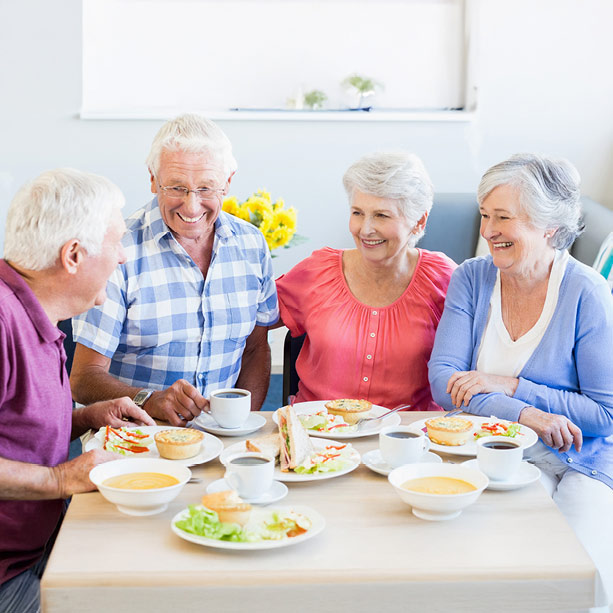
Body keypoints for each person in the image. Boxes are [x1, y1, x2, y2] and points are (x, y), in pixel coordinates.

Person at [428, 153, 613, 609]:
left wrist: (509, 385)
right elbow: (443, 382)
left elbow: (603, 416)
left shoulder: (585, 293)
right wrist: (527, 412)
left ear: (548, 226)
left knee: (577, 580)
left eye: (503, 217)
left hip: (580, 459)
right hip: (495, 447)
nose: (488, 229)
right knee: (471, 565)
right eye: (486, 215)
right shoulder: (471, 277)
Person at [0, 169, 155, 613]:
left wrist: (85, 416)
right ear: (73, 256)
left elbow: (15, 426)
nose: (123, 257)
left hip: (43, 544)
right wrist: (60, 478)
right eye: (117, 241)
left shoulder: (38, 314)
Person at [70, 114, 279, 426]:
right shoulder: (117, 249)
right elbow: (83, 379)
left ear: (227, 183)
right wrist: (148, 399)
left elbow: (255, 349)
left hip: (222, 437)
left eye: (206, 188)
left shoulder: (252, 245)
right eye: (177, 187)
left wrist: (242, 425)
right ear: (153, 180)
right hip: (138, 437)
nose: (192, 207)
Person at [274, 152, 456, 410]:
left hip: (407, 438)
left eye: (382, 215)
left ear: (419, 221)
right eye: (358, 212)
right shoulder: (317, 272)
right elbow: (253, 320)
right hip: (320, 433)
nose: (365, 228)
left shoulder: (444, 278)